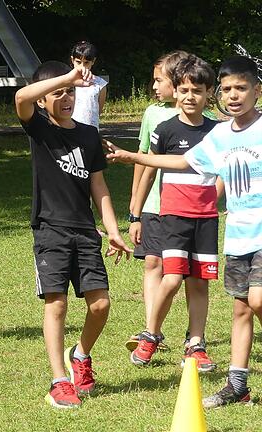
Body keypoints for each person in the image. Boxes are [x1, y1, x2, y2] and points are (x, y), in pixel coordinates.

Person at [108, 55, 262, 409]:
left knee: (256, 301)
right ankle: (237, 384)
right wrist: (136, 157)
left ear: (257, 91)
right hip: (238, 235)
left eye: (241, 88)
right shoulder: (222, 133)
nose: (233, 96)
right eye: (227, 90)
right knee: (241, 310)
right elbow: (184, 162)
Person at [14, 60, 130, 408]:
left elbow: (99, 186)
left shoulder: (88, 134)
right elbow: (21, 96)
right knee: (58, 304)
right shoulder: (40, 129)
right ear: (43, 100)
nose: (66, 98)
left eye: (70, 92)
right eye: (57, 94)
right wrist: (67, 76)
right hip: (50, 229)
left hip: (84, 231)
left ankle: (80, 355)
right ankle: (58, 381)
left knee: (101, 304)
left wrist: (113, 229)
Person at [127, 55, 219, 371]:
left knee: (199, 282)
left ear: (209, 94)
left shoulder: (218, 132)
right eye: (184, 90)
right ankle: (150, 334)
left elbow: (221, 174)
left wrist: (213, 202)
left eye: (197, 90)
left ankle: (196, 344)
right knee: (172, 277)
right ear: (175, 92)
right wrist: (135, 213)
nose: (190, 96)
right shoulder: (165, 129)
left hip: (205, 219)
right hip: (174, 216)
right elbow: (149, 168)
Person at [125, 51, 187, 351]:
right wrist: (134, 208)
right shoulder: (152, 114)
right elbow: (143, 161)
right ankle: (151, 330)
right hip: (152, 205)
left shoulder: (202, 118)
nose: (153, 87)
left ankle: (189, 335)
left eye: (158, 80)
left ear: (176, 83)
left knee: (182, 273)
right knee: (152, 262)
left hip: (184, 207)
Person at [69, 41, 107, 129]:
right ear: (72, 60)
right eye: (78, 62)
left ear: (93, 61)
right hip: (70, 129)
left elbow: (98, 111)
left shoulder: (100, 84)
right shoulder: (66, 82)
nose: (82, 66)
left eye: (86, 63)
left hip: (91, 130)